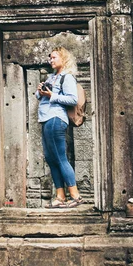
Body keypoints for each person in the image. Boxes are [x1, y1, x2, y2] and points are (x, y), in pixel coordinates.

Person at [36, 46, 84, 208]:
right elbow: (40, 97)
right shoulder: (51, 77)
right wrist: (40, 92)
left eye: (54, 57)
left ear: (63, 59)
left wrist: (52, 95)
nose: (51, 60)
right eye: (50, 58)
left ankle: (75, 196)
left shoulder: (67, 77)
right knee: (51, 158)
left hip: (56, 118)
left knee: (60, 157)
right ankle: (60, 197)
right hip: (45, 119)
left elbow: (72, 99)